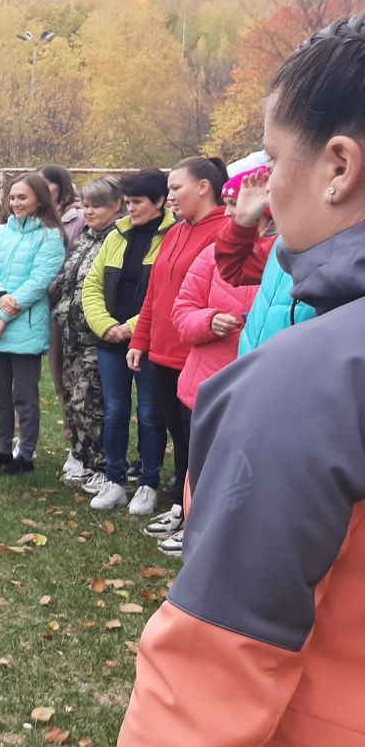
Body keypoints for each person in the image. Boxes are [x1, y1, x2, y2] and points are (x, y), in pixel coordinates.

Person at [83, 13, 365, 747]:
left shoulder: (312, 387)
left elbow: (216, 668)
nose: (267, 190)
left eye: (274, 160)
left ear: (338, 167)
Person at [126, 156, 228, 546]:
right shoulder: (174, 233)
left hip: (197, 356)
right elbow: (155, 294)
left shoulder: (225, 233)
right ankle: (182, 508)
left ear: (204, 187)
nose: (169, 198)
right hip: (163, 356)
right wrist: (141, 341)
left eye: (175, 189)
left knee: (198, 440)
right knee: (180, 438)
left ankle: (196, 519)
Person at [82, 170, 172, 512]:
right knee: (115, 411)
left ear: (160, 202)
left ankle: (148, 482)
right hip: (110, 342)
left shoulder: (172, 237)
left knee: (150, 413)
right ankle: (115, 480)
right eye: (128, 203)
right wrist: (106, 327)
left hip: (149, 342)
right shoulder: (117, 236)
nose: (130, 210)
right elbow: (92, 285)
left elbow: (163, 293)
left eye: (137, 203)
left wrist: (132, 328)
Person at [0, 173, 66, 474]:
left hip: (24, 325)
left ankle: (25, 454)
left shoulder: (50, 235)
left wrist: (4, 315)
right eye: (12, 197)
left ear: (39, 199)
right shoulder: (1, 232)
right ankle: (3, 448)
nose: (15, 203)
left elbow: (39, 282)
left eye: (22, 197)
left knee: (24, 396)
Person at [169, 171, 268, 417]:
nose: (226, 213)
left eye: (234, 204)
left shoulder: (286, 257)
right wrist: (208, 321)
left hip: (259, 391)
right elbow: (181, 312)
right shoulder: (213, 255)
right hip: (205, 389)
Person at [51, 176, 124, 489]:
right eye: (85, 205)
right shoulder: (84, 238)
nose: (88, 211)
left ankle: (102, 465)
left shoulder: (119, 238)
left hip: (97, 334)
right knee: (73, 400)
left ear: (116, 206)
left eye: (96, 206)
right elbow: (69, 275)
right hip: (71, 333)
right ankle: (81, 457)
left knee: (90, 401)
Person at [214, 165, 316, 354]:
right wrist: (243, 221)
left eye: (275, 163)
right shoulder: (282, 243)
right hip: (258, 364)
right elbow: (234, 270)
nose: (268, 184)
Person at [39, 164, 87, 479]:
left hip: (67, 306)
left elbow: (77, 258)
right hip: (38, 304)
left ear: (60, 186)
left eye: (47, 183)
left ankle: (77, 445)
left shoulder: (76, 218)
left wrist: (52, 279)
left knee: (67, 376)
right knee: (45, 374)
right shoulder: (38, 216)